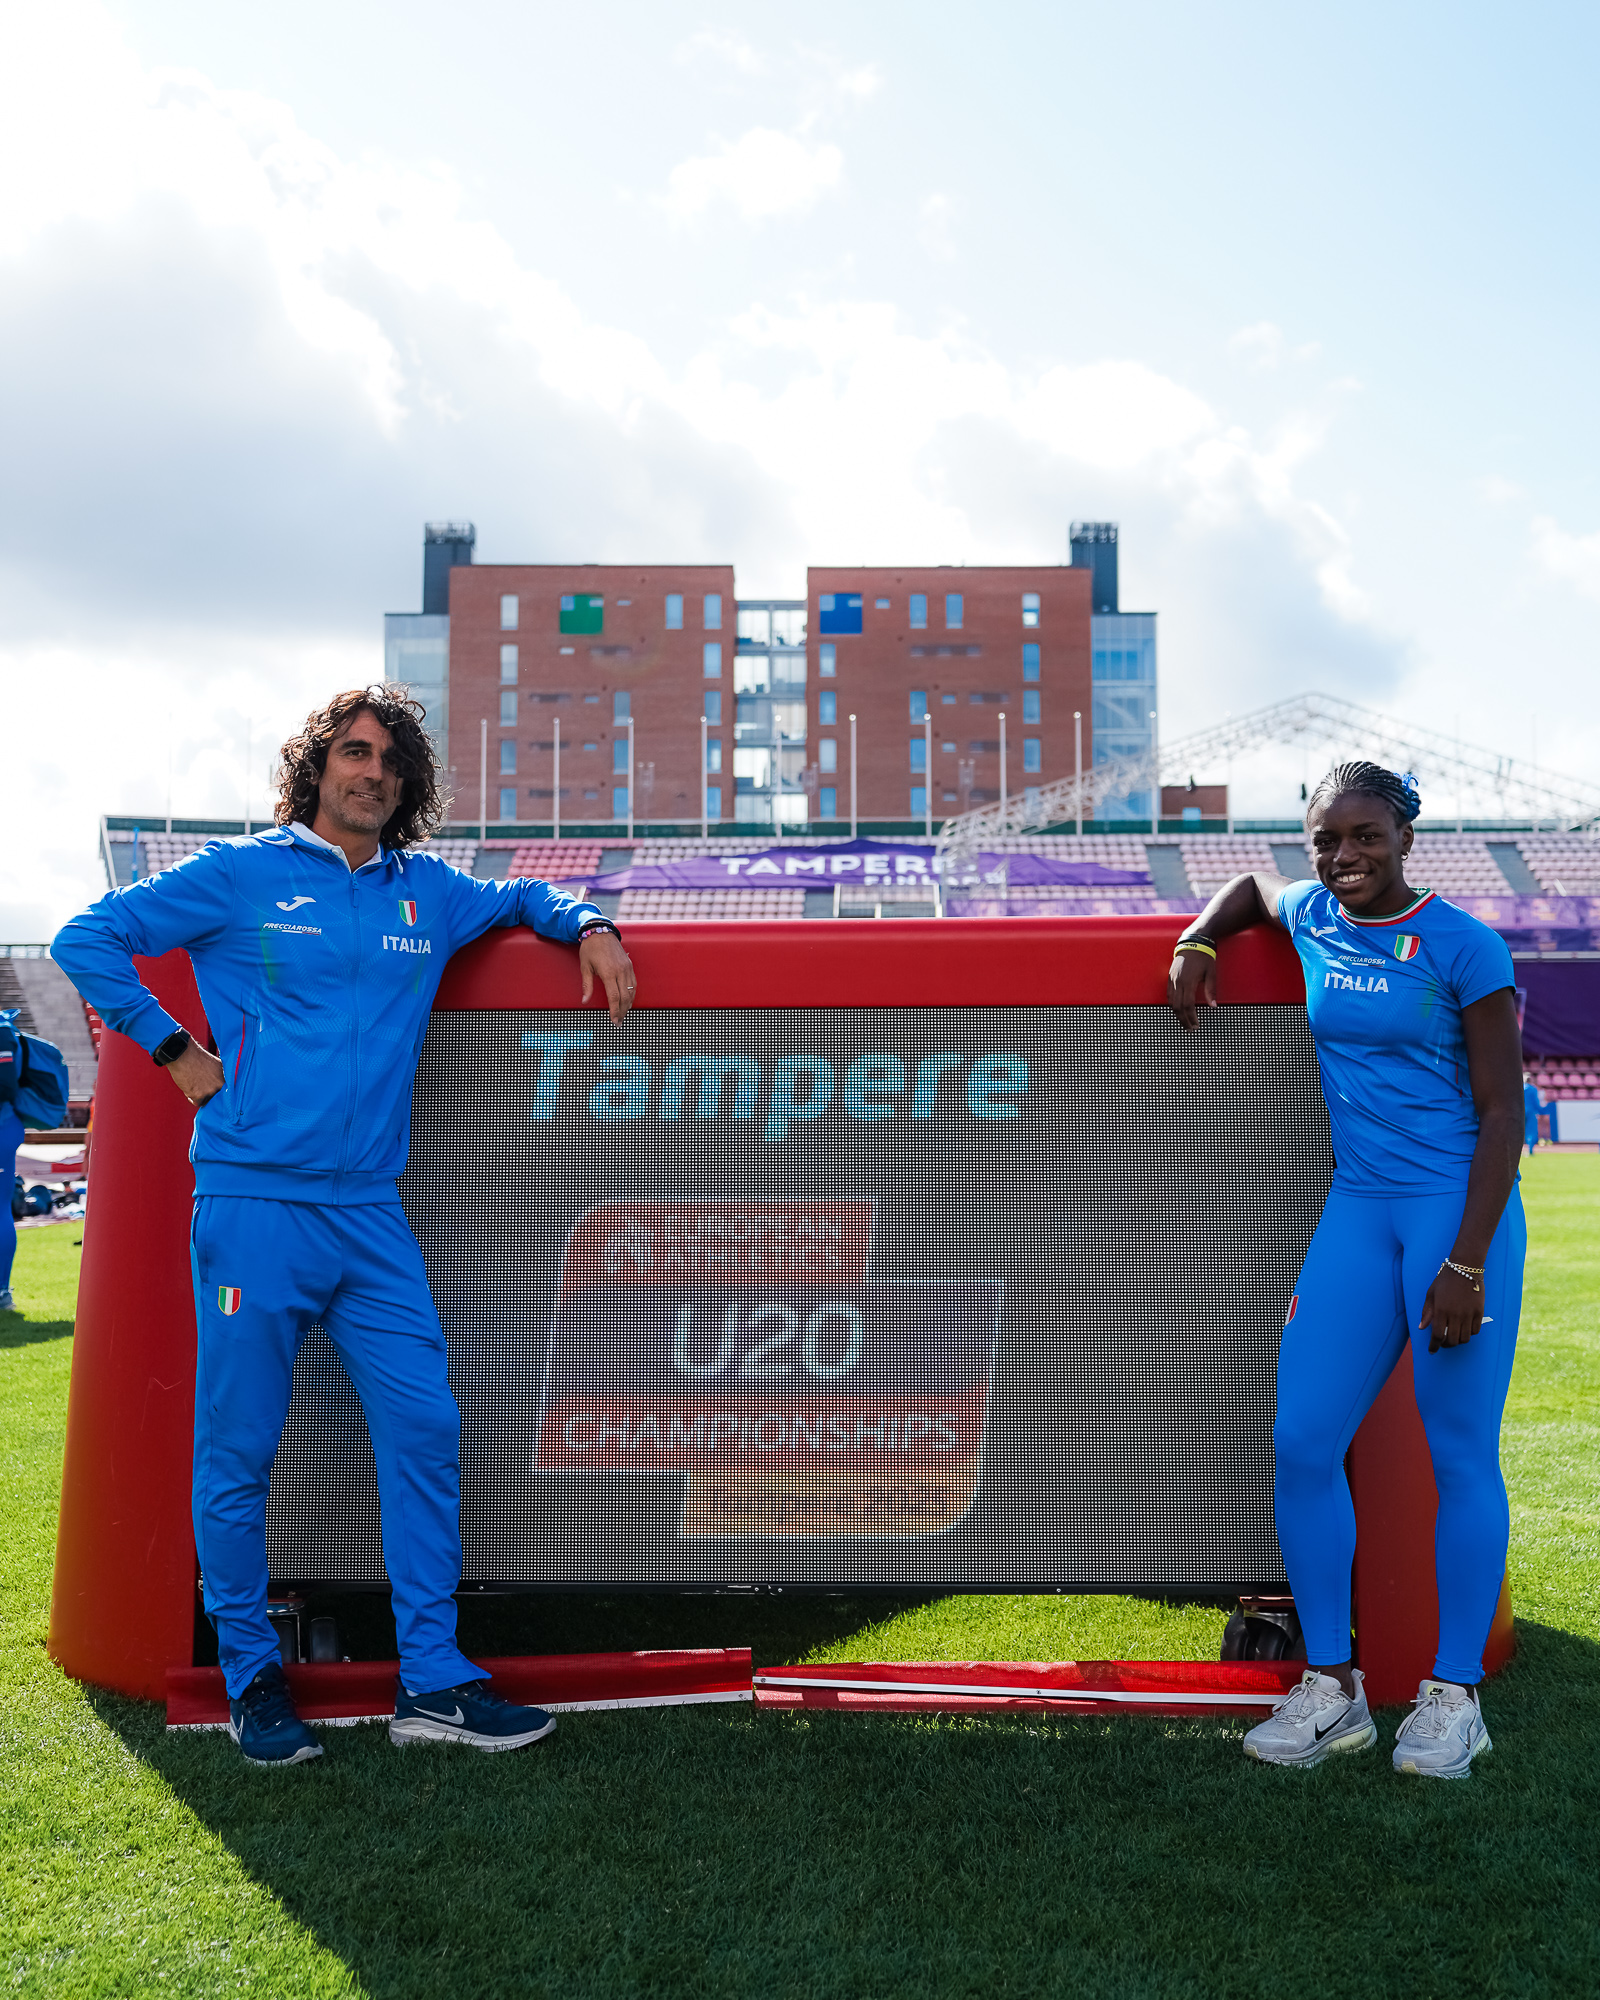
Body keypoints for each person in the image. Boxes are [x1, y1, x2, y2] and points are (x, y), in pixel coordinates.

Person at [54, 687, 636, 1768]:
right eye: (354, 753)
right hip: (254, 1206)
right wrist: (171, 1045)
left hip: (371, 1213)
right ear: (317, 768)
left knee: (425, 1426)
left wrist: (589, 924)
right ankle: (251, 1675)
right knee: (240, 1449)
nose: (372, 772)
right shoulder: (244, 873)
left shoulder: (429, 892)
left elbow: (524, 893)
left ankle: (434, 1678)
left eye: (390, 761)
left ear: (407, 785)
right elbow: (87, 936)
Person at [1168, 761, 1524, 1779]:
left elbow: (1504, 1111)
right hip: (1359, 1210)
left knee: (1460, 1454)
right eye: (1326, 838)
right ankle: (1332, 1687)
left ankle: (1454, 1696)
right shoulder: (1313, 912)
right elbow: (1251, 889)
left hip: (1456, 1216)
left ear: (1405, 836)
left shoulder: (1464, 943)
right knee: (1302, 1439)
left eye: (1366, 835)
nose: (1344, 855)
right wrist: (1200, 937)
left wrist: (1465, 1262)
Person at [1522, 1071, 1544, 1155]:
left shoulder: (1520, 1088)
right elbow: (1536, 1102)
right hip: (1531, 1112)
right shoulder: (1533, 1089)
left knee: (1518, 1131)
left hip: (1521, 1111)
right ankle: (1530, 1149)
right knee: (1531, 1131)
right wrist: (1540, 1111)